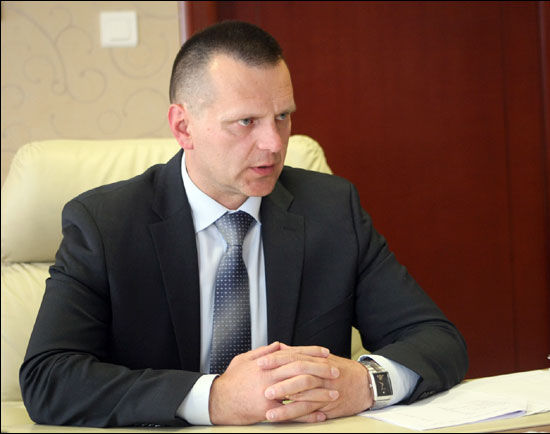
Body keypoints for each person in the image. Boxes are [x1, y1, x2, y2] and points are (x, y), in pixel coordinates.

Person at [19, 21, 468, 427]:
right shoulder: (105, 224)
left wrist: (367, 383)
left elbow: (437, 339)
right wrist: (214, 399)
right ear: (183, 127)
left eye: (283, 116)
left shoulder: (332, 210)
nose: (273, 143)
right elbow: (47, 377)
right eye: (246, 122)